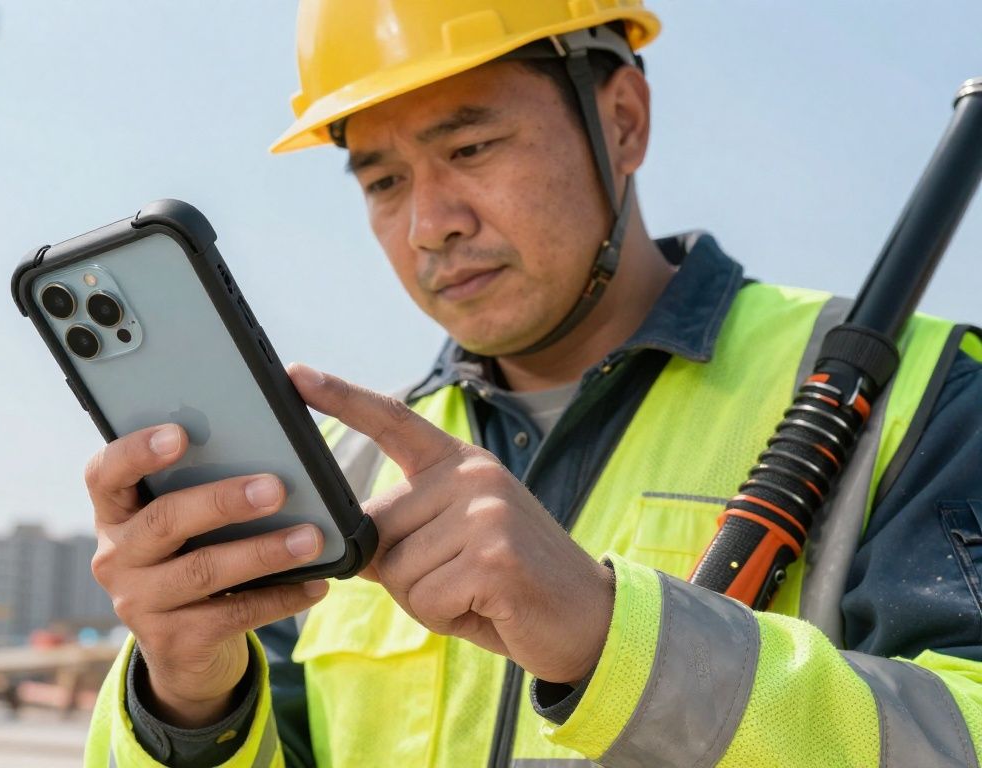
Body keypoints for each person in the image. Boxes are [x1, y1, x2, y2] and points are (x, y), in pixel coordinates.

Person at [84, 2, 982, 765]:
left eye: (471, 147)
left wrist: (612, 639)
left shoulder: (926, 392)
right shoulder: (337, 475)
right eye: (385, 180)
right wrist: (186, 704)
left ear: (623, 120)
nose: (430, 223)